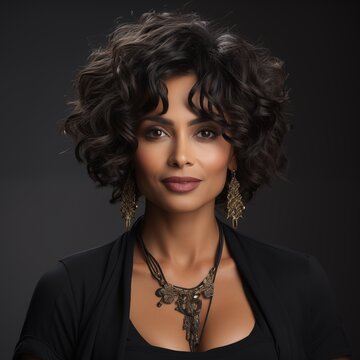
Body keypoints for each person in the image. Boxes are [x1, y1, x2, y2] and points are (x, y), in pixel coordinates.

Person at [13, 10, 352, 360]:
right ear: (127, 145)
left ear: (235, 151)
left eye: (205, 132)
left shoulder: (300, 283)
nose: (181, 156)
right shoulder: (69, 290)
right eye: (157, 132)